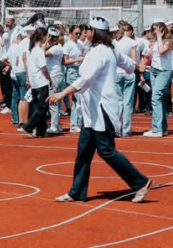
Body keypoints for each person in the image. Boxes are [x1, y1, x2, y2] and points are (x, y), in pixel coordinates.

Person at [49, 16, 153, 203]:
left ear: (95, 32)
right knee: (84, 152)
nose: (85, 32)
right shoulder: (106, 50)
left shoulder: (101, 52)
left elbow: (85, 79)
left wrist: (62, 93)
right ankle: (76, 192)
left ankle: (140, 182)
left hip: (102, 109)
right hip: (91, 111)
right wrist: (139, 67)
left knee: (106, 150)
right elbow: (129, 64)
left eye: (88, 29)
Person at [143, 23, 173, 138]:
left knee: (155, 98)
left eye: (156, 29)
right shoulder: (155, 41)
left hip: (164, 71)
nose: (154, 31)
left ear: (162, 29)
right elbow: (150, 55)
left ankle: (157, 129)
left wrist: (160, 37)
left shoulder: (168, 41)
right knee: (159, 99)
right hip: (154, 70)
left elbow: (161, 51)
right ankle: (163, 128)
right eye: (153, 29)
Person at [22, 27, 52, 138]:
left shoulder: (32, 50)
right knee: (42, 108)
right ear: (42, 36)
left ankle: (41, 130)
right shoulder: (38, 51)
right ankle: (28, 126)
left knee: (39, 107)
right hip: (41, 82)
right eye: (46, 36)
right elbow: (44, 68)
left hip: (35, 82)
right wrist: (49, 79)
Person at [114, 22, 138, 136]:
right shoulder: (132, 42)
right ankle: (126, 130)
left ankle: (117, 128)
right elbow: (134, 60)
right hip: (129, 72)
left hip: (117, 72)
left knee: (118, 101)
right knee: (128, 102)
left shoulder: (115, 42)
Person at [62, 25, 85, 131]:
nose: (78, 35)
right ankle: (74, 123)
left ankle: (77, 122)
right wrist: (77, 59)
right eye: (76, 33)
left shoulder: (79, 44)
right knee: (78, 97)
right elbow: (64, 61)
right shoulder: (68, 45)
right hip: (71, 71)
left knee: (78, 98)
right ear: (70, 34)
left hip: (79, 71)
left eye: (80, 33)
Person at [46, 27, 67, 135]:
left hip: (54, 76)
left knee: (53, 102)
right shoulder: (58, 47)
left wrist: (45, 42)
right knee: (56, 102)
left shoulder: (55, 48)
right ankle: (57, 125)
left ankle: (54, 126)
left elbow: (41, 53)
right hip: (58, 75)